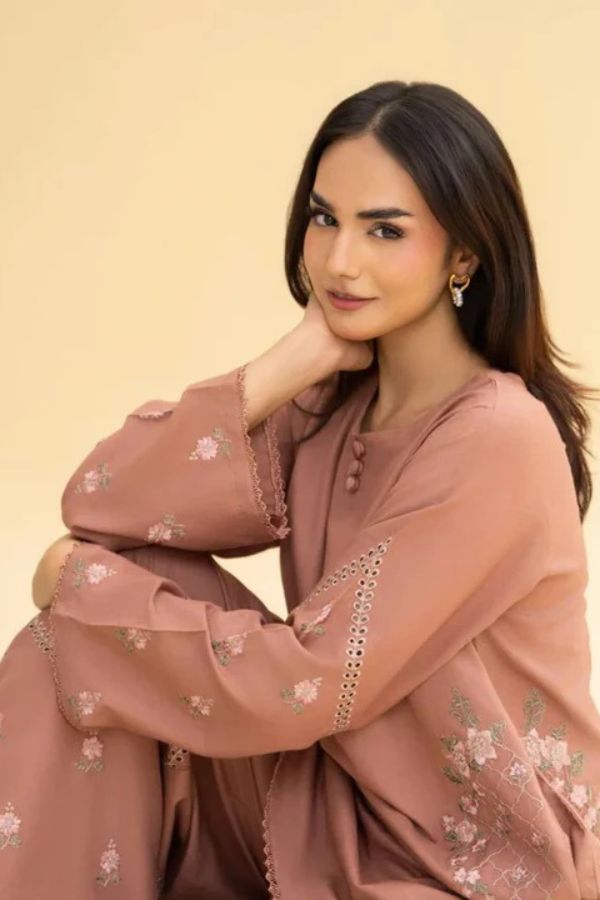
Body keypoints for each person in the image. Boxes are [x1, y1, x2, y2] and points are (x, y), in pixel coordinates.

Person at [2, 79, 600, 899]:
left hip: (464, 861)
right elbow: (102, 503)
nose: (340, 262)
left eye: (385, 230)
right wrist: (283, 367)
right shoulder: (330, 401)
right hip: (326, 798)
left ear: (464, 255)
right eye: (325, 219)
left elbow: (309, 680)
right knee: (69, 650)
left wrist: (74, 582)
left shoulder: (500, 438)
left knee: (86, 619)